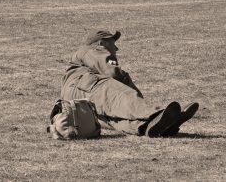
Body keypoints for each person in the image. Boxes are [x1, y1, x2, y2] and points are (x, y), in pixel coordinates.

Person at [60, 29, 199, 137]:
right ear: (101, 43)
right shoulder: (89, 49)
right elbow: (112, 72)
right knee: (121, 96)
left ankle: (148, 126)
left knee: (113, 120)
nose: (116, 49)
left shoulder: (78, 59)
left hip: (74, 103)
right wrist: (138, 97)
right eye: (113, 44)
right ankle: (156, 114)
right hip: (85, 85)